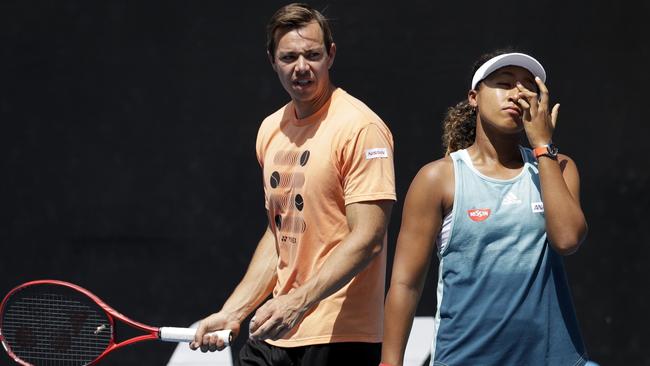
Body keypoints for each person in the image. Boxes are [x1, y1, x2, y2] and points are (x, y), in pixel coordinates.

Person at [190, 3, 396, 365]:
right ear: (272, 60)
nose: (302, 67)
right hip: (277, 330)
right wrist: (235, 311)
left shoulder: (361, 128)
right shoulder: (271, 129)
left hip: (339, 337)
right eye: (289, 57)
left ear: (330, 56)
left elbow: (368, 239)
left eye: (312, 55)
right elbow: (280, 232)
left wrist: (299, 301)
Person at [380, 50, 588, 365]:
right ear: (474, 97)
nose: (518, 93)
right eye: (504, 83)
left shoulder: (559, 167)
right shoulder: (438, 179)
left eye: (527, 87)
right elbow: (405, 284)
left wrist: (542, 147)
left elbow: (568, 239)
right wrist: (389, 362)